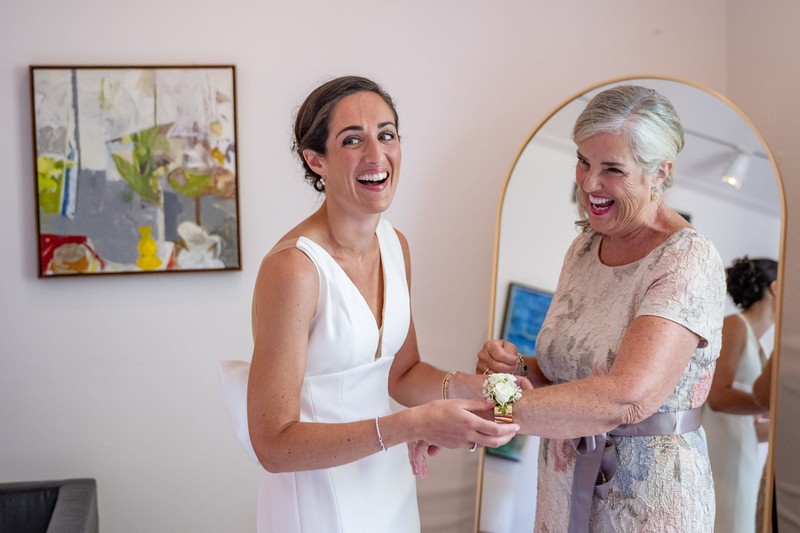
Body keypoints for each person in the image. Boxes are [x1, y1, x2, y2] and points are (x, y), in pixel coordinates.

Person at [246, 76, 519, 533]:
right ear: (317, 161)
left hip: (386, 482)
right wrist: (412, 426)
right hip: (315, 497)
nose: (376, 155)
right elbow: (273, 445)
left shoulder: (395, 245)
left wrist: (484, 392)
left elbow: (402, 373)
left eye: (386, 134)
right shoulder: (294, 269)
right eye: (352, 140)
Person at [475, 85, 726, 531]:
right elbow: (574, 373)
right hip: (563, 476)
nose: (590, 183)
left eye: (612, 168)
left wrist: (487, 412)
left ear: (660, 172)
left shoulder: (687, 258)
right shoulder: (585, 246)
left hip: (646, 498)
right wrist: (515, 368)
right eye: (584, 161)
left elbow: (625, 397)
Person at [702, 256, 777, 532]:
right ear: (776, 287)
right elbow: (719, 397)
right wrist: (773, 406)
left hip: (742, 447)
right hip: (723, 451)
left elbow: (749, 421)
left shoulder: (759, 343)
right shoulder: (735, 326)